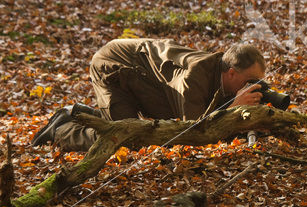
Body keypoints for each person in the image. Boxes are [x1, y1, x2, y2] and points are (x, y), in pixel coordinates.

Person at [31, 39, 266, 151]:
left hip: (144, 81)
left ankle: (83, 113)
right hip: (113, 68)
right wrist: (234, 108)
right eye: (250, 81)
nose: (252, 86)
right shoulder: (194, 77)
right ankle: (62, 129)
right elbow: (193, 132)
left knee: (146, 127)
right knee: (125, 140)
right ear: (232, 73)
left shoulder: (221, 74)